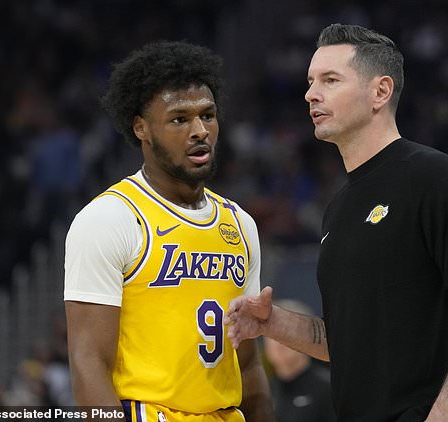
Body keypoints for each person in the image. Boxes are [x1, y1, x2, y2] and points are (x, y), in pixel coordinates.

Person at [225, 24, 448, 422]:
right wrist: (272, 323)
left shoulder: (434, 177)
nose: (311, 93)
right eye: (310, 81)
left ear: (380, 92)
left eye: (330, 80)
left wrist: (445, 414)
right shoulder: (338, 207)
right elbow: (347, 341)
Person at [64, 41, 273, 422]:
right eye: (180, 119)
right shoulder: (110, 218)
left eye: (208, 116)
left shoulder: (240, 224)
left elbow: (247, 364)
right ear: (141, 127)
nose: (200, 131)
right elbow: (88, 360)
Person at [263, 300, 335, 422]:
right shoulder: (263, 390)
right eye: (273, 335)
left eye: (285, 334)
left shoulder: (328, 389)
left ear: (306, 340)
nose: (278, 343)